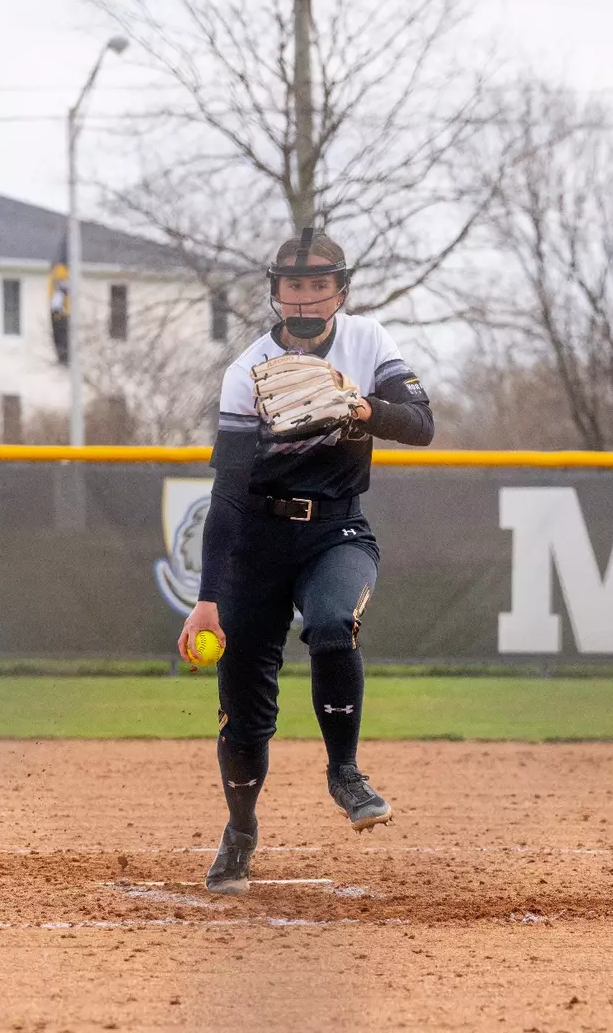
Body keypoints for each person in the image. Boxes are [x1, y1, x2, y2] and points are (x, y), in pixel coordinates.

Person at [178, 228, 434, 896]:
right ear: (276, 293)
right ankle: (240, 830)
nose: (306, 299)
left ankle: (345, 774)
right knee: (244, 712)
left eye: (320, 286)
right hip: (257, 542)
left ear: (340, 292)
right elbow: (227, 495)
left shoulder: (367, 342)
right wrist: (207, 598)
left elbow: (421, 423)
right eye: (294, 287)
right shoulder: (247, 372)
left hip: (336, 531)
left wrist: (363, 407)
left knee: (331, 622)